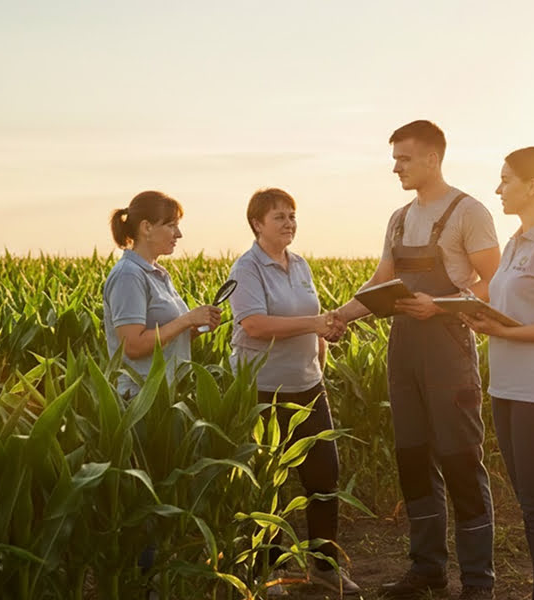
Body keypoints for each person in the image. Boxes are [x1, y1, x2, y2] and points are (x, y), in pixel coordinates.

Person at [332, 120, 501, 600]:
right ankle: (427, 568)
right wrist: (340, 316)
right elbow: (382, 279)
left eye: (403, 158)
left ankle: (477, 582)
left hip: (447, 347)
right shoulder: (400, 219)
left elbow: (496, 279)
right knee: (411, 458)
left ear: (432, 158)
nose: (395, 167)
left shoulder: (468, 212)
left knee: (461, 461)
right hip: (402, 348)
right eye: (395, 158)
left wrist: (441, 306)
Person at [460, 147, 534, 600]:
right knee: (528, 502)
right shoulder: (515, 241)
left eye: (506, 180)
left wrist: (502, 332)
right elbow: (504, 302)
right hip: (506, 387)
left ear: (533, 187)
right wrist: (475, 313)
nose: (498, 189)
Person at [227, 187, 359, 596]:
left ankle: (324, 567)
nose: (289, 223)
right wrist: (316, 323)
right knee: (269, 483)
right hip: (263, 389)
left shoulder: (299, 264)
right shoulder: (245, 269)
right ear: (256, 224)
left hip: (308, 385)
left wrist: (326, 338)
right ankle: (269, 571)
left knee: (324, 479)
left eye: (292, 215)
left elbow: (312, 319)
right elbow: (254, 325)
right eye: (279, 217)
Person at [103, 190, 221, 399]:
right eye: (171, 225)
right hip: (143, 400)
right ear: (147, 227)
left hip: (168, 395)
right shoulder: (128, 276)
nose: (178, 234)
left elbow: (165, 337)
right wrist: (187, 319)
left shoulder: (157, 273)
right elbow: (132, 346)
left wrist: (195, 328)